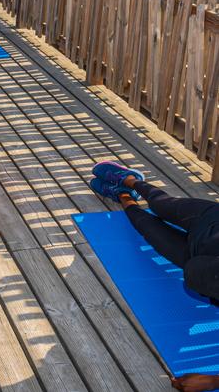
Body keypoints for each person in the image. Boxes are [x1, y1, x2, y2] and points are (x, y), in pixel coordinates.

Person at [89, 161, 219, 392]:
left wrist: (213, 381)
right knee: (161, 205)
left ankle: (123, 196)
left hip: (199, 261)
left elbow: (195, 272)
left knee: (147, 228)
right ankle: (131, 180)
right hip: (210, 222)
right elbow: (195, 273)